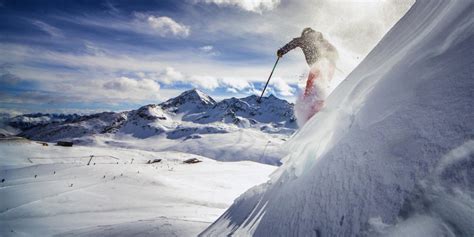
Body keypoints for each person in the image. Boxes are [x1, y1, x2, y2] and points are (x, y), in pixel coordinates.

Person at [277, 27, 338, 126]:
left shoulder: (315, 40)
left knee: (314, 82)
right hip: (325, 65)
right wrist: (282, 51)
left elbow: (333, 52)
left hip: (323, 64)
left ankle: (314, 103)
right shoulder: (312, 40)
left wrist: (282, 51)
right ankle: (316, 103)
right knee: (318, 82)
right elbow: (292, 44)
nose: (309, 38)